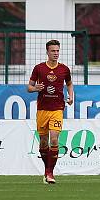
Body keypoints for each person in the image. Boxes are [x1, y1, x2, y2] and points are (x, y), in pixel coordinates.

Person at [28, 40, 74, 184]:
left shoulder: (64, 69)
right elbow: (29, 87)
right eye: (53, 51)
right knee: (43, 142)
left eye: (57, 51)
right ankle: (47, 170)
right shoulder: (39, 68)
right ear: (47, 52)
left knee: (54, 139)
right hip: (42, 110)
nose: (56, 53)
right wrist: (36, 88)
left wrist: (71, 96)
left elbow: (69, 83)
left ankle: (50, 173)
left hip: (57, 109)